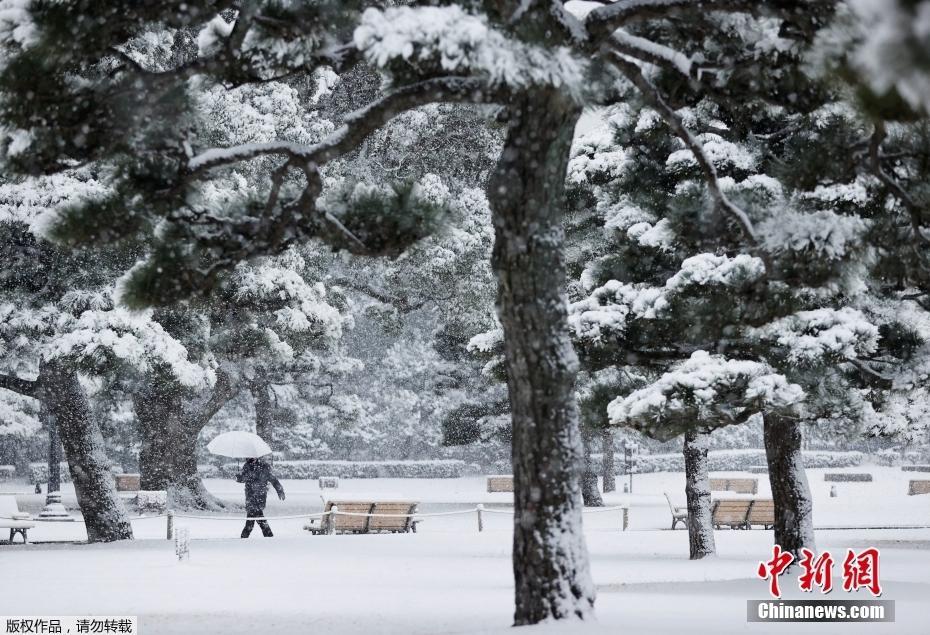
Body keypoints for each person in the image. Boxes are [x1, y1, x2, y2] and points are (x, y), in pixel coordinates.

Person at [236, 456, 285, 538]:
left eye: (253, 457)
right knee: (256, 517)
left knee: (253, 518)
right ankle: (268, 535)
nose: (251, 459)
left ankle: (245, 536)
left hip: (260, 496)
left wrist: (280, 491)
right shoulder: (246, 466)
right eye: (249, 457)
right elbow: (243, 479)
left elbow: (273, 479)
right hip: (250, 497)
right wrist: (239, 477)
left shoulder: (263, 466)